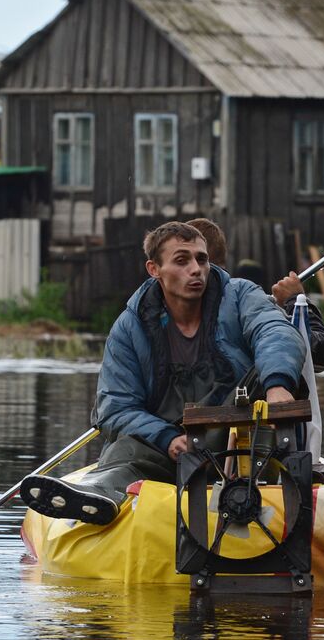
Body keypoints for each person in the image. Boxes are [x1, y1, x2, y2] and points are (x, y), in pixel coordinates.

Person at [17, 221, 306, 525]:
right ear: (154, 269)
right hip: (167, 450)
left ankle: (259, 488)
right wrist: (167, 438)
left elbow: (274, 331)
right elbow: (115, 406)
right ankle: (101, 494)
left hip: (233, 438)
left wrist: (278, 385)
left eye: (201, 259)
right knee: (126, 447)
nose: (196, 269)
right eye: (182, 261)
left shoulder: (241, 295)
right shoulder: (129, 328)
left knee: (257, 387)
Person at [185, 217, 324, 372]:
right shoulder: (245, 307)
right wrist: (296, 300)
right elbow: (320, 356)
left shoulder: (246, 306)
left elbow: (319, 356)